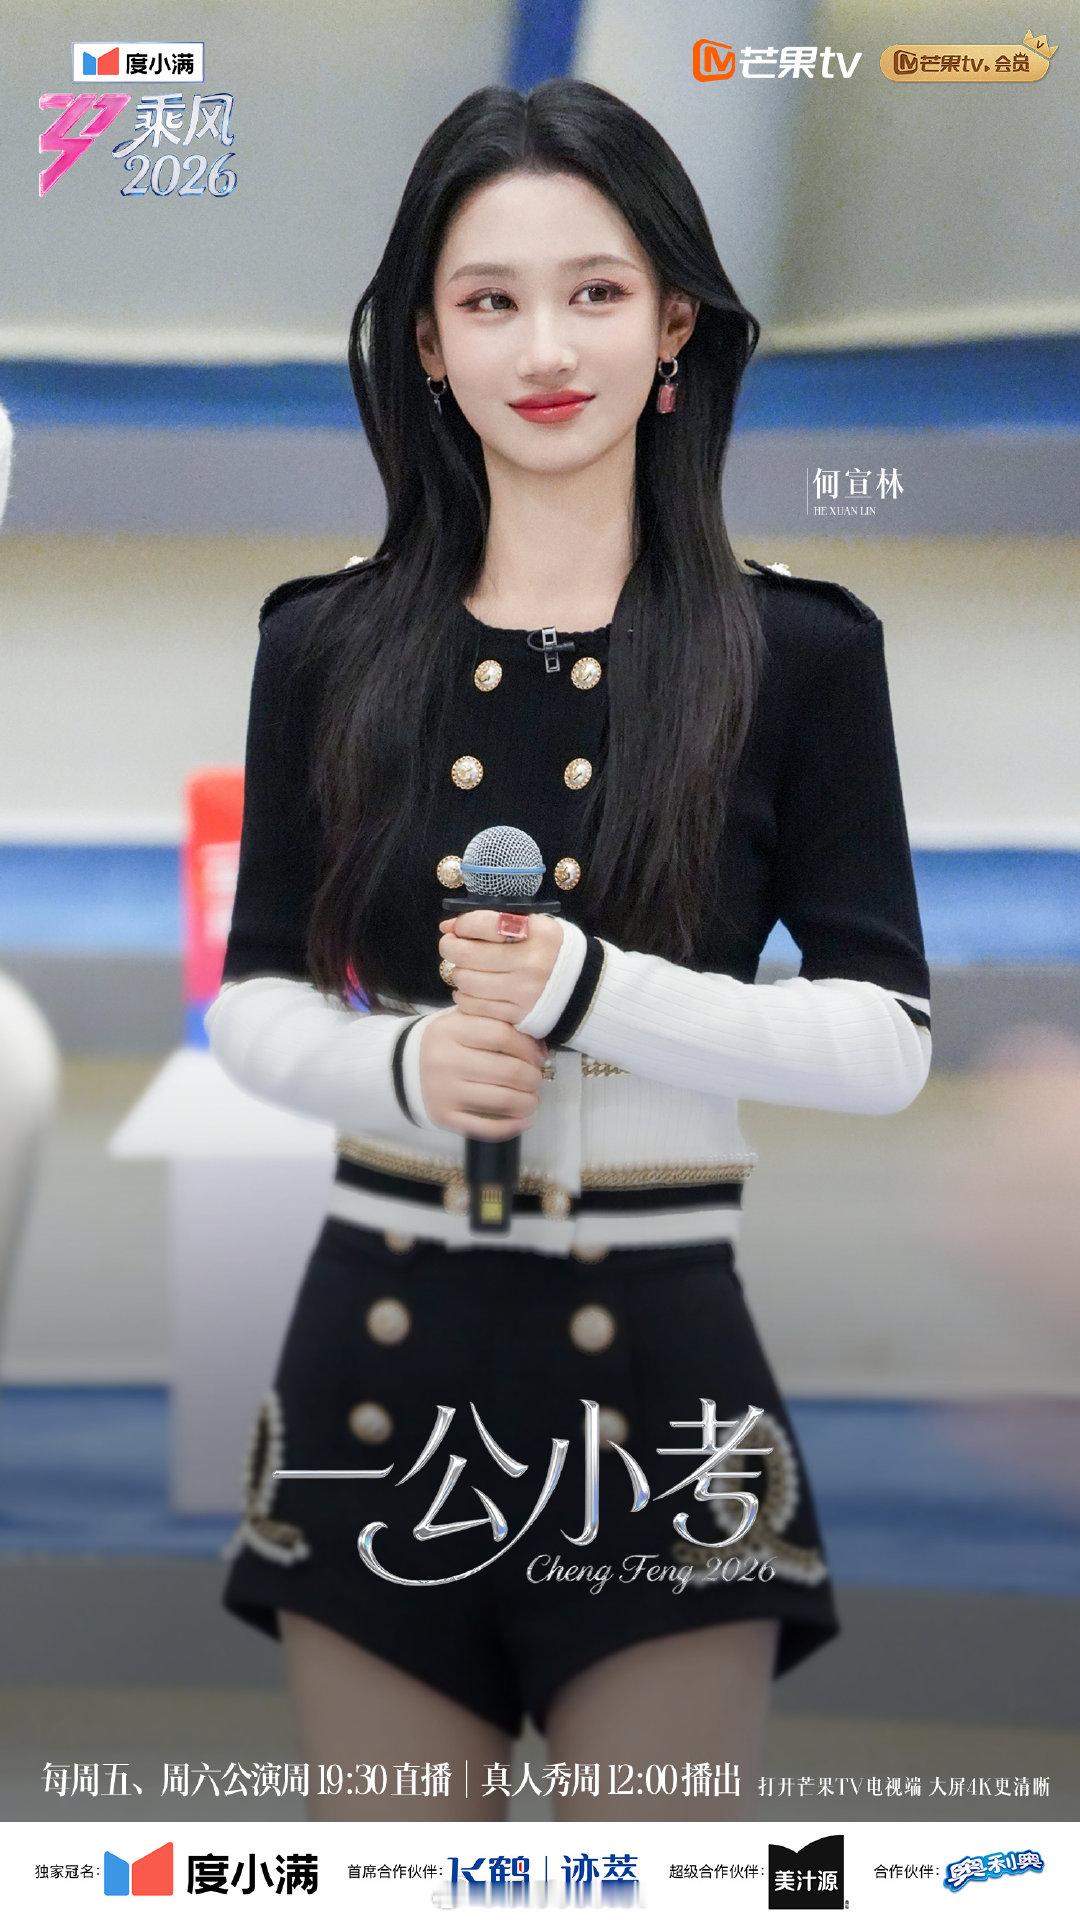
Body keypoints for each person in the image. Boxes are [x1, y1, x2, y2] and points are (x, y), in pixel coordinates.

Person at [205, 77, 932, 1823]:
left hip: (662, 1373)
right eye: (490, 299)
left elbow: (889, 1039)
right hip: (378, 1366)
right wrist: (397, 1063)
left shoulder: (799, 652)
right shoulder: (325, 642)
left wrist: (596, 991)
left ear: (675, 322)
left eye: (597, 291)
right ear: (427, 344)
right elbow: (252, 1002)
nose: (546, 347)